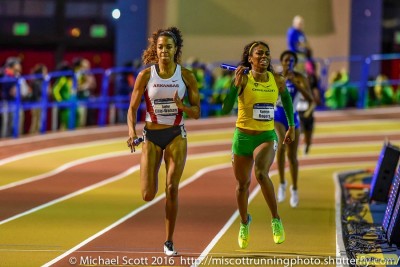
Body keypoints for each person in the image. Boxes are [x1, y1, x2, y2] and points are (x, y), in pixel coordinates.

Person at [126, 27, 200, 256]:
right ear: (155, 50)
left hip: (176, 134)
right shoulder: (146, 75)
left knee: (172, 188)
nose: (164, 51)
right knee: (148, 194)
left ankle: (168, 241)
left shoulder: (186, 76)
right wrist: (131, 131)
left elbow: (197, 112)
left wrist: (183, 107)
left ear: (176, 49)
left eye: (169, 47)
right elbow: (132, 108)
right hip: (151, 135)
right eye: (160, 47)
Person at [221, 41, 295, 247]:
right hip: (242, 138)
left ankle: (276, 219)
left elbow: (287, 100)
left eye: (267, 53)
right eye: (259, 53)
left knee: (261, 174)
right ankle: (244, 222)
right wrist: (234, 86)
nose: (264, 56)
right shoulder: (242, 79)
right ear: (250, 58)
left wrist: (291, 126)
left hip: (266, 136)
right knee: (242, 185)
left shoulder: (277, 80)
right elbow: (225, 109)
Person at [275, 50, 315, 208]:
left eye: (291, 60)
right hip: (277, 114)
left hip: (293, 117)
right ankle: (282, 183)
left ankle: (295, 188)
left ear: (295, 63)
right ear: (282, 61)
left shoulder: (300, 78)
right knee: (280, 145)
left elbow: (310, 98)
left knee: (292, 156)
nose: (288, 63)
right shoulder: (276, 77)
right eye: (286, 60)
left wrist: (296, 83)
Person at [297, 49, 321, 155]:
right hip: (298, 105)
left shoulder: (312, 77)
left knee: (308, 130)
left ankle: (307, 142)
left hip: (309, 105)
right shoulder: (295, 76)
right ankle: (297, 143)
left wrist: (316, 97)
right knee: (298, 127)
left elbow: (315, 87)